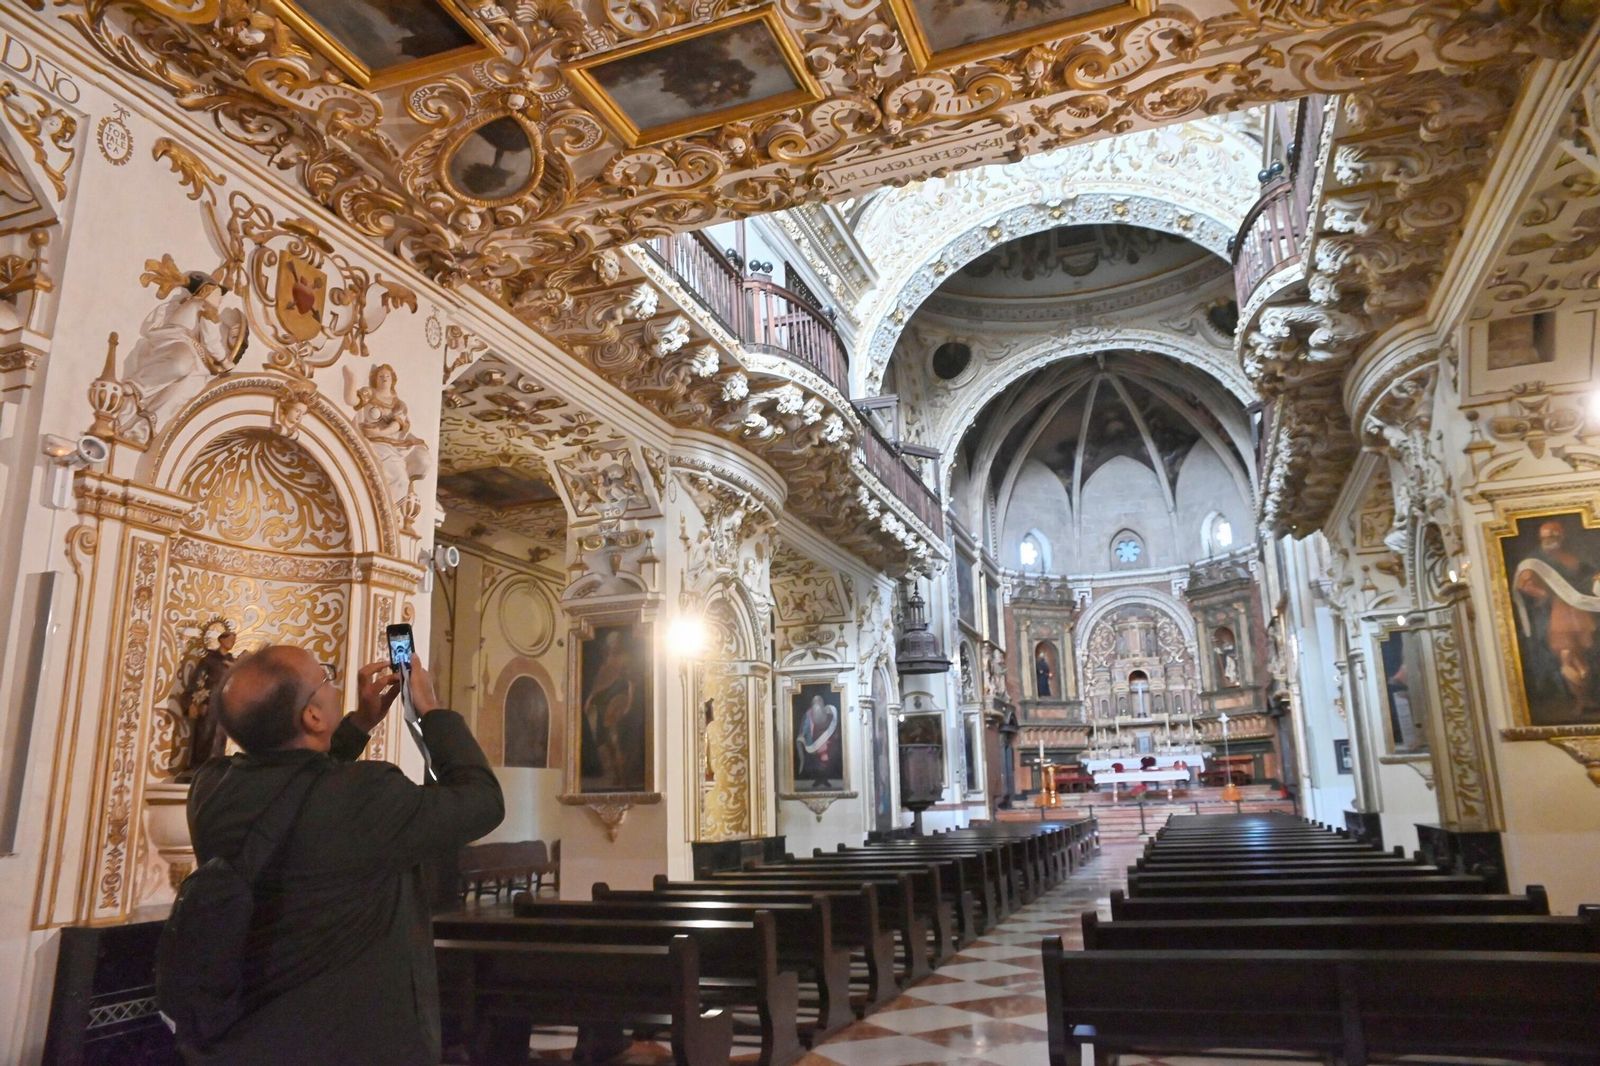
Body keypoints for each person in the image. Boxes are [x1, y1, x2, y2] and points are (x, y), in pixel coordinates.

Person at [184, 646, 504, 1066]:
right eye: (326, 678)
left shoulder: (210, 789)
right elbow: (481, 802)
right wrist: (430, 710)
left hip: (251, 1039)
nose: (336, 687)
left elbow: (299, 790)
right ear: (312, 717)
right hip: (352, 1043)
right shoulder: (366, 794)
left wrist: (358, 724)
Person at [1513, 518, 1600, 720]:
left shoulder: (1571, 557)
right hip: (1557, 614)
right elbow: (1523, 584)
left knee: (1583, 654)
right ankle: (1581, 700)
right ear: (1541, 538)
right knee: (1567, 655)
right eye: (1548, 535)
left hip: (1579, 611)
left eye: (1555, 535)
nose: (1551, 539)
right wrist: (1545, 596)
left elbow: (1588, 574)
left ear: (1562, 536)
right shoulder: (1534, 560)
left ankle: (1586, 697)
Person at [177, 627, 237, 780]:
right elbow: (197, 681)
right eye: (229, 639)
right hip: (208, 704)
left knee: (219, 738)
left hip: (223, 705)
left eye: (234, 640)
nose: (232, 642)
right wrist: (194, 702)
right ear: (221, 640)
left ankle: (215, 769)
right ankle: (199, 767)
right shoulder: (209, 660)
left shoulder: (232, 662)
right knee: (204, 735)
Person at [795, 694, 840, 789]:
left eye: (819, 701)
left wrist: (833, 737)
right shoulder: (808, 714)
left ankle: (825, 778)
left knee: (828, 759)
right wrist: (802, 735)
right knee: (816, 761)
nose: (817, 702)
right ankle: (818, 778)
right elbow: (805, 727)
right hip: (814, 740)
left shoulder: (829, 711)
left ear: (822, 703)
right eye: (815, 701)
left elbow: (834, 727)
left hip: (828, 740)